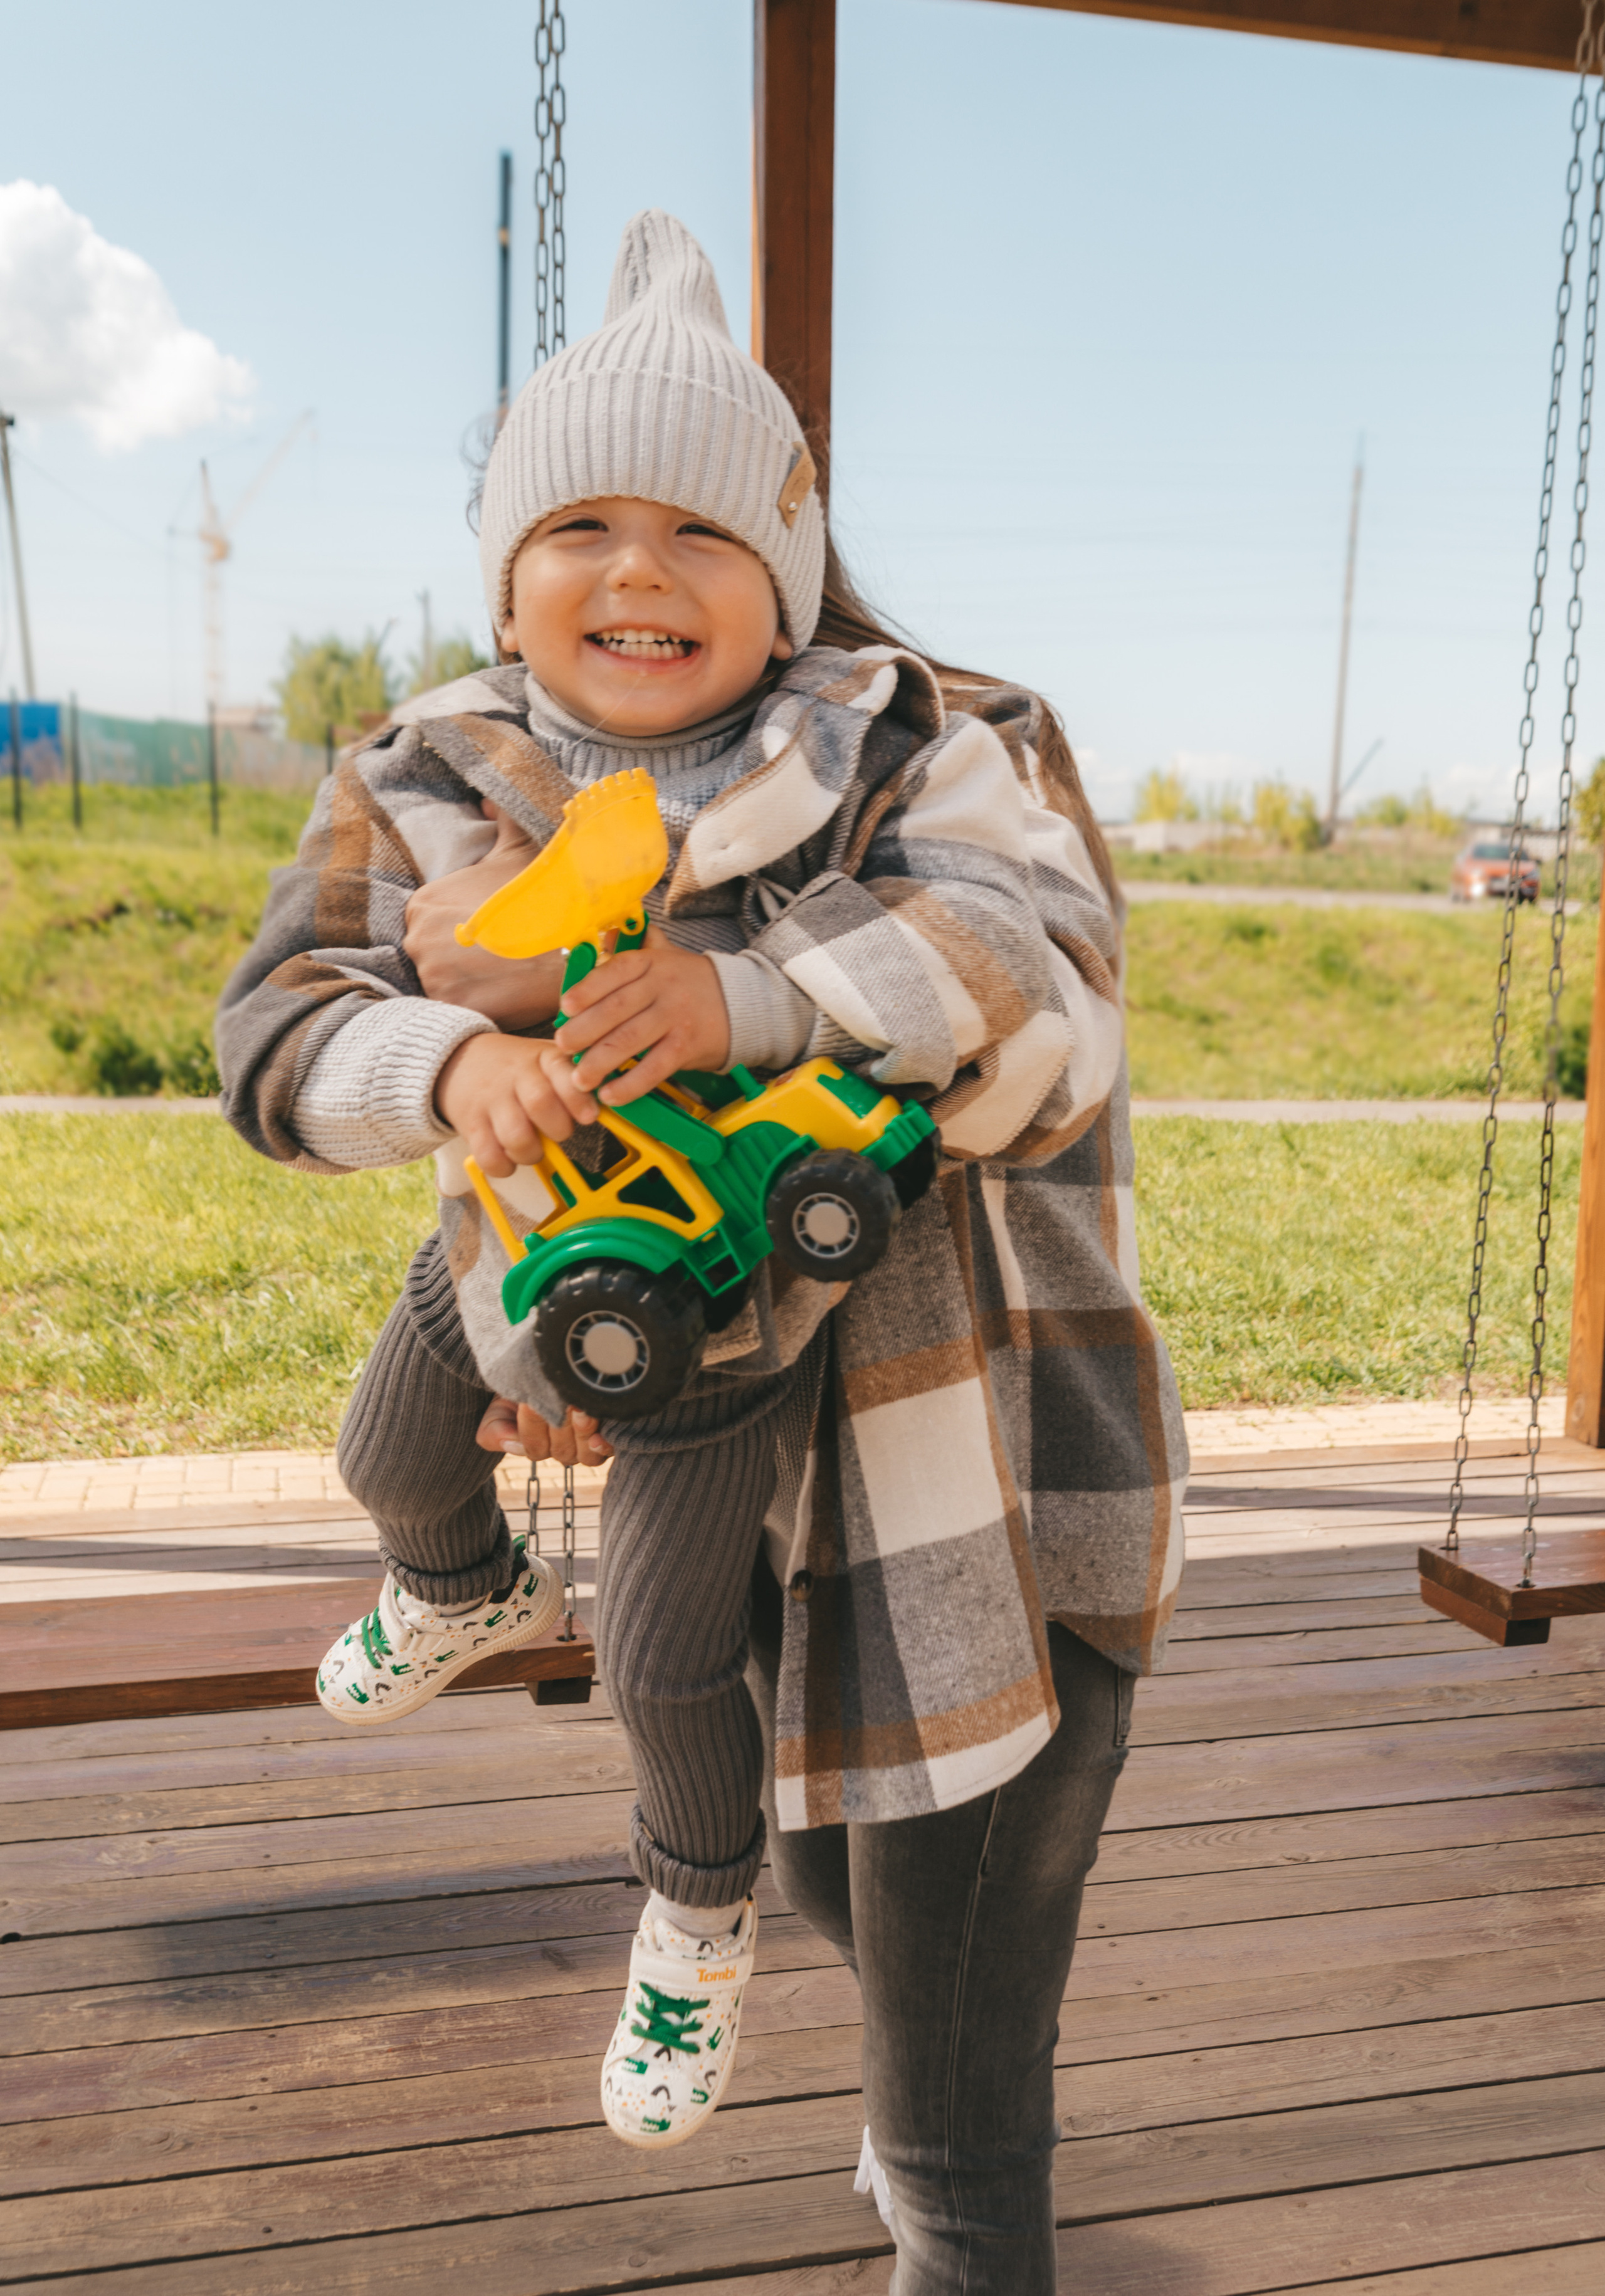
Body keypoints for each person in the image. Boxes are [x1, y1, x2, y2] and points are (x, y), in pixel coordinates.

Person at [217, 209, 1186, 2292]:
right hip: (686, 1400)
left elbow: (1050, 1016)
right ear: (503, 571)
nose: (638, 569)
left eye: (701, 528)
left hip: (969, 1478)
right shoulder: (435, 771)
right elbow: (283, 1020)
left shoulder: (938, 741)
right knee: (834, 1868)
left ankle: (943, 2204)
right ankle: (476, 1608)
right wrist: (431, 1067)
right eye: (577, 521)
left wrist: (753, 997)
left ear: (794, 564)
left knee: (953, 2064)